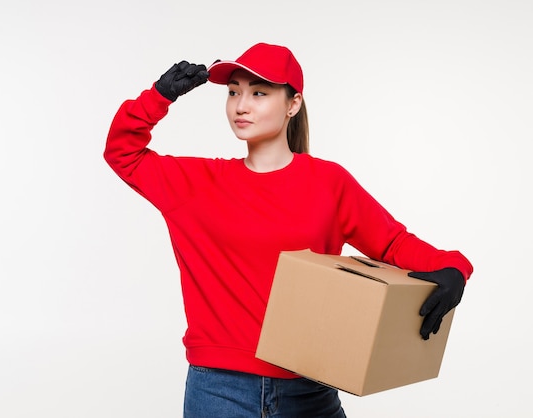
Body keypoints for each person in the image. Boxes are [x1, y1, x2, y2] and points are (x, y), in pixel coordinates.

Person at [104, 42, 473, 417]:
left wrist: (454, 267)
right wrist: (159, 96)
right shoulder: (196, 183)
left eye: (259, 93)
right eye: (233, 92)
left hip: (310, 387)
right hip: (219, 390)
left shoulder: (329, 182)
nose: (240, 105)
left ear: (292, 104)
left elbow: (391, 241)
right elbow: (123, 152)